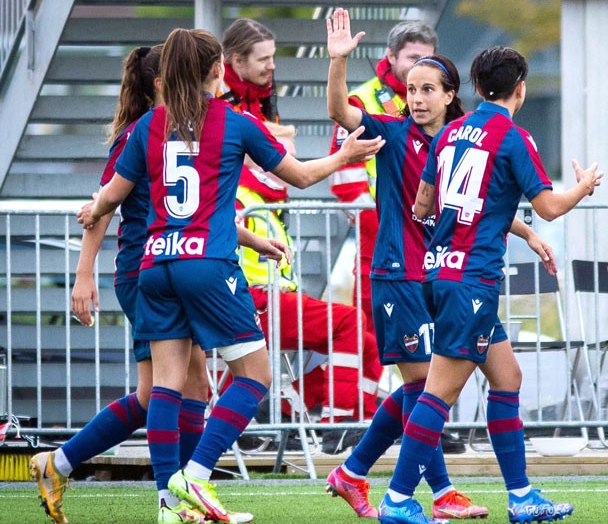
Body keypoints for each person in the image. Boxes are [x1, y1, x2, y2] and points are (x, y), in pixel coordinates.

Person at [76, 27, 384, 524]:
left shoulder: (148, 125)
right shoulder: (234, 122)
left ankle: (168, 506)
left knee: (166, 387)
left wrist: (89, 222)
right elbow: (301, 175)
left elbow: (107, 199)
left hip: (154, 266)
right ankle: (194, 477)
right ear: (216, 70)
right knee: (255, 375)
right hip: (208, 266)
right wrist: (346, 156)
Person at [324, 12, 561, 522]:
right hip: (401, 274)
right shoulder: (390, 133)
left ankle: (357, 473)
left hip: (441, 273)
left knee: (474, 380)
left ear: (452, 94)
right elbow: (341, 112)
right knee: (425, 389)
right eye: (410, 88)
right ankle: (426, 492)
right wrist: (338, 62)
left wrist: (527, 232)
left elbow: (474, 204)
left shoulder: (460, 138)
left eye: (427, 88)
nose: (417, 98)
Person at [372, 44, 600, 524]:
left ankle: (521, 497)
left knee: (507, 377)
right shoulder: (515, 138)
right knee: (438, 394)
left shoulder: (450, 133)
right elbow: (550, 207)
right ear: (520, 88)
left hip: (438, 271)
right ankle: (396, 499)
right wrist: (584, 185)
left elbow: (421, 207)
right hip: (471, 279)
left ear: (475, 88)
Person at [29, 45, 213, 524]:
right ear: (160, 82)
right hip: (144, 270)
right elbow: (101, 207)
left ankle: (59, 463)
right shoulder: (140, 133)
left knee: (169, 391)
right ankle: (176, 500)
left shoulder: (182, 128)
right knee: (182, 385)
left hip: (170, 267)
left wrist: (250, 239)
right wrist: (84, 274)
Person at [234, 122, 383, 453]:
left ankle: (294, 411)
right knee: (350, 322)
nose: (293, 164)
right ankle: (338, 423)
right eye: (287, 155)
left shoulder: (262, 198)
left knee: (369, 344)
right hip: (250, 301)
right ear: (258, 160)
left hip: (269, 301)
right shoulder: (240, 195)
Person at [328, 18, 437, 339]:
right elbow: (345, 179)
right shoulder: (362, 101)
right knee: (374, 341)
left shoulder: (438, 102)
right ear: (390, 57)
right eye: (414, 58)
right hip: (381, 240)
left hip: (430, 241)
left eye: (428, 59)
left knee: (429, 350)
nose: (422, 66)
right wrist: (385, 224)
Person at [220, 18, 278, 122]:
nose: (272, 66)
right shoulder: (211, 95)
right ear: (238, 61)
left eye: (272, 57)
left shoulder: (266, 90)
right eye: (263, 59)